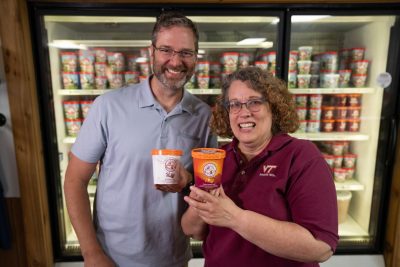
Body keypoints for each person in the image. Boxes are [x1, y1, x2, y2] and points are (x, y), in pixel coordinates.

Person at [64, 11, 216, 267]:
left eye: (186, 53)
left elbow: (209, 187)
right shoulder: (108, 106)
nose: (175, 61)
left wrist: (188, 180)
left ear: (196, 57)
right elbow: (74, 181)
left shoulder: (203, 116)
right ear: (151, 52)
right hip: (111, 258)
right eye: (166, 50)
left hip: (173, 257)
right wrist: (92, 253)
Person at [181, 67, 339, 267]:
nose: (244, 113)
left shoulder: (301, 156)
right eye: (235, 105)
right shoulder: (219, 157)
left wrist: (234, 217)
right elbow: (193, 230)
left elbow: (321, 247)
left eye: (254, 102)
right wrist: (202, 203)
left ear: (273, 107)